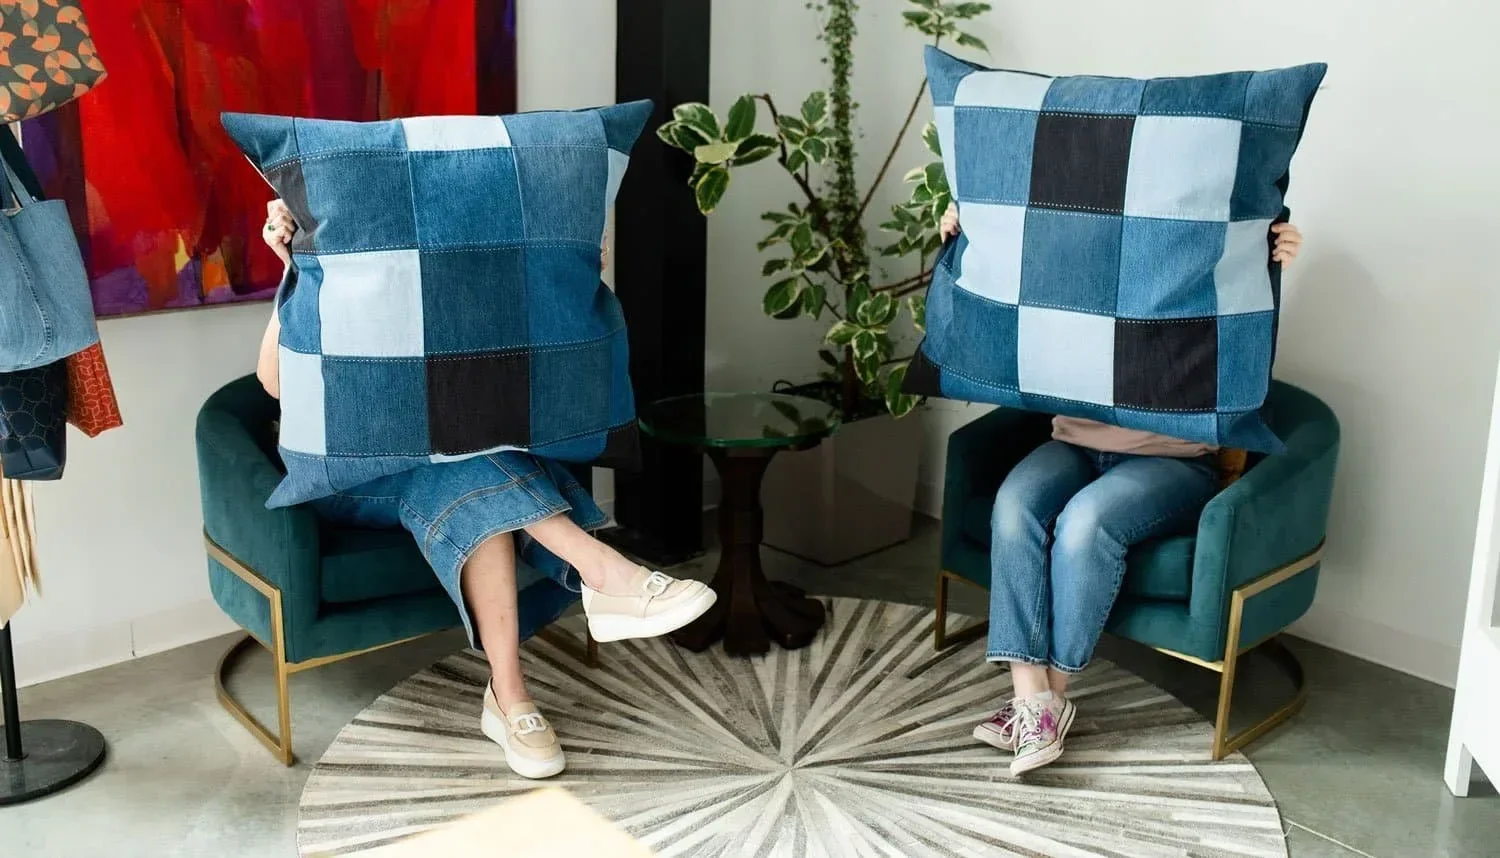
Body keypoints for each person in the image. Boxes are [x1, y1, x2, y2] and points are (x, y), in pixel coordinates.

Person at [257, 199, 715, 780]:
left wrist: (570, 278)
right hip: (350, 475)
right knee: (463, 467)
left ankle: (512, 698)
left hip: (438, 463)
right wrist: (293, 268)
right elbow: (273, 384)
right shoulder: (314, 279)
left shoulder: (426, 280)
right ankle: (603, 573)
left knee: (467, 479)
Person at [936, 203, 1304, 776]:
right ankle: (1034, 699)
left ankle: (1043, 703)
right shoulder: (1085, 244)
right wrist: (974, 226)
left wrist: (1268, 254)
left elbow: (1245, 325)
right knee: (1014, 506)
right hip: (1075, 442)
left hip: (1173, 461)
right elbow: (1017, 263)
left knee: (1087, 524)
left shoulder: (1189, 262)